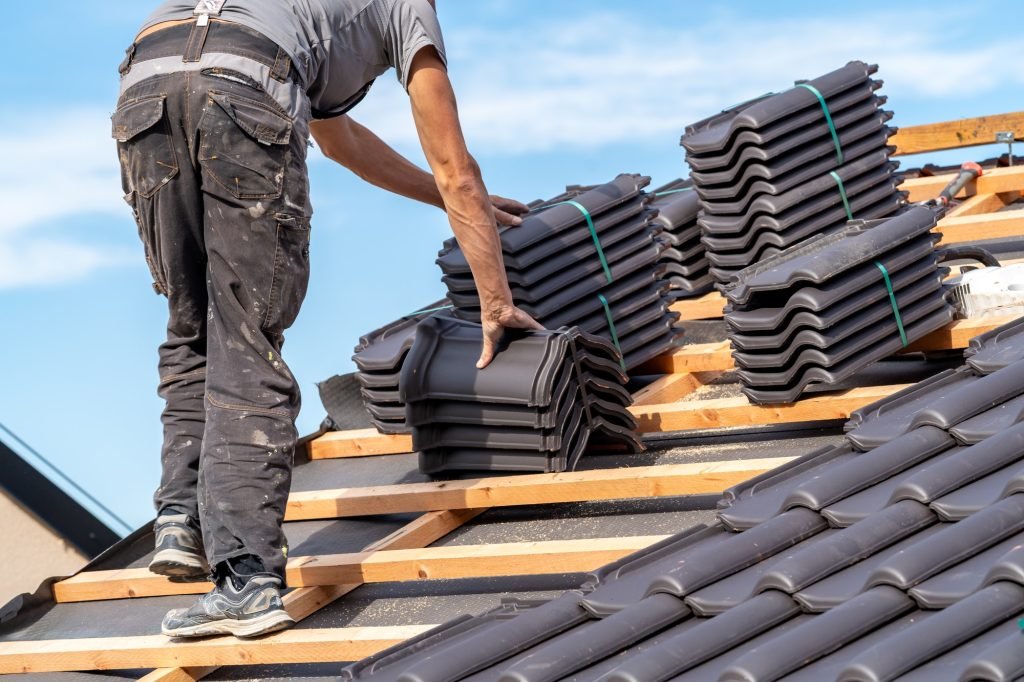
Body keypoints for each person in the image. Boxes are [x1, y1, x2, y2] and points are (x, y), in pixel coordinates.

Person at [113, 0, 541, 639]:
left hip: (146, 84)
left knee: (192, 317)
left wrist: (433, 195)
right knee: (246, 333)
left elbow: (338, 139)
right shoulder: (407, 8)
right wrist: (496, 299)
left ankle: (182, 516)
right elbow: (457, 167)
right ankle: (248, 579)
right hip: (246, 87)